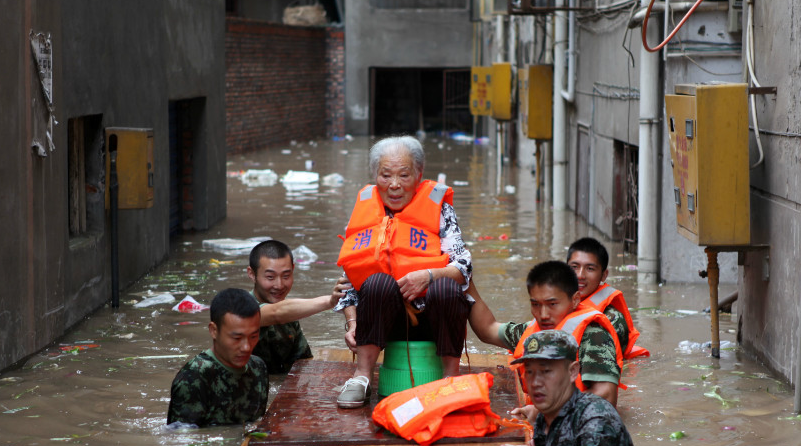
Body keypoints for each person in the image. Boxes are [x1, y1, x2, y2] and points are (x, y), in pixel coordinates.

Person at [335, 136, 472, 408]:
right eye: (386, 175)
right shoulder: (365, 208)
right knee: (375, 282)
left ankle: (451, 378)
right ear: (376, 176)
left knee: (447, 286)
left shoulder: (440, 209)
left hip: (432, 319)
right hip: (382, 322)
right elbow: (349, 279)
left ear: (419, 175)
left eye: (404, 175)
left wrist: (429, 275)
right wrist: (352, 323)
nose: (395, 185)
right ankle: (362, 377)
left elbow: (464, 267)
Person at [466, 260, 624, 407]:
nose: (543, 314)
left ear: (575, 300)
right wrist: (466, 278)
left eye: (552, 304)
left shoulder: (593, 334)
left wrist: (550, 411)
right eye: (535, 304)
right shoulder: (534, 330)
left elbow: (606, 394)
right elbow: (488, 329)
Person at [501, 330, 636, 446]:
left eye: (545, 371)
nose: (535, 383)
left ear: (572, 372)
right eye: (529, 372)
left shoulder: (596, 411)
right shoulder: (543, 417)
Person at [167, 288, 268, 427]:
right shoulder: (193, 379)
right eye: (237, 338)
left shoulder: (258, 368)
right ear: (214, 331)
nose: (247, 347)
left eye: (253, 336)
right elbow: (182, 443)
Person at [247, 239, 348, 374]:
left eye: (286, 276)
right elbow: (276, 313)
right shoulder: (239, 308)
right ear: (252, 274)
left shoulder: (291, 315)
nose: (279, 285)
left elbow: (303, 362)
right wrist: (330, 301)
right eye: (270, 277)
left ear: (293, 270)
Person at [566, 237, 643, 357]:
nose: (580, 275)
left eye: (590, 269)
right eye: (574, 267)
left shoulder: (612, 320)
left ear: (603, 275)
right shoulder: (553, 306)